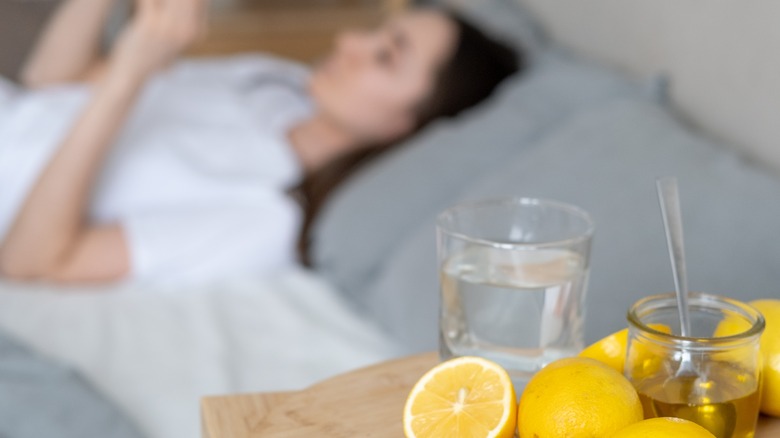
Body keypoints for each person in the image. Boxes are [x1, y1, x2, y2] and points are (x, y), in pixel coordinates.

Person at [0, 0, 521, 285]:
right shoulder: (276, 83)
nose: (349, 42)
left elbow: (32, 261)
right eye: (376, 32)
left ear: (410, 125)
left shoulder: (267, 216)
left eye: (386, 56)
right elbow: (50, 84)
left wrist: (131, 72)